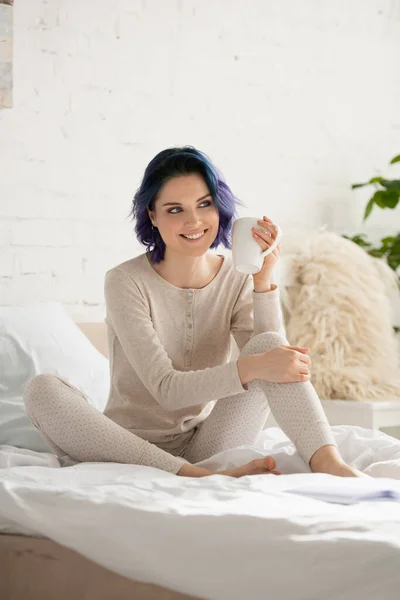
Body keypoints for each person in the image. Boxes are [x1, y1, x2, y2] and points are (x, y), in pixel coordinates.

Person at [24, 146, 364, 478]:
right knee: (42, 389)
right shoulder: (125, 281)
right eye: (175, 209)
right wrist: (253, 366)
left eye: (205, 204)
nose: (195, 220)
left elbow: (273, 360)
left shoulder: (235, 276)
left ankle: (329, 463)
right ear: (152, 216)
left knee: (269, 345)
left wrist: (262, 282)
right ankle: (192, 475)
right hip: (130, 448)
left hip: (208, 444)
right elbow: (167, 390)